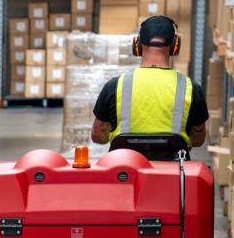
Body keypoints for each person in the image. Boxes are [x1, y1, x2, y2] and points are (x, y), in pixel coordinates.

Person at [90, 15, 209, 160]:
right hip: (173, 175)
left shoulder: (115, 86)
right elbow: (198, 140)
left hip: (125, 174)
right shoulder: (191, 89)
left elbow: (97, 137)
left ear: (137, 45)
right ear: (175, 46)